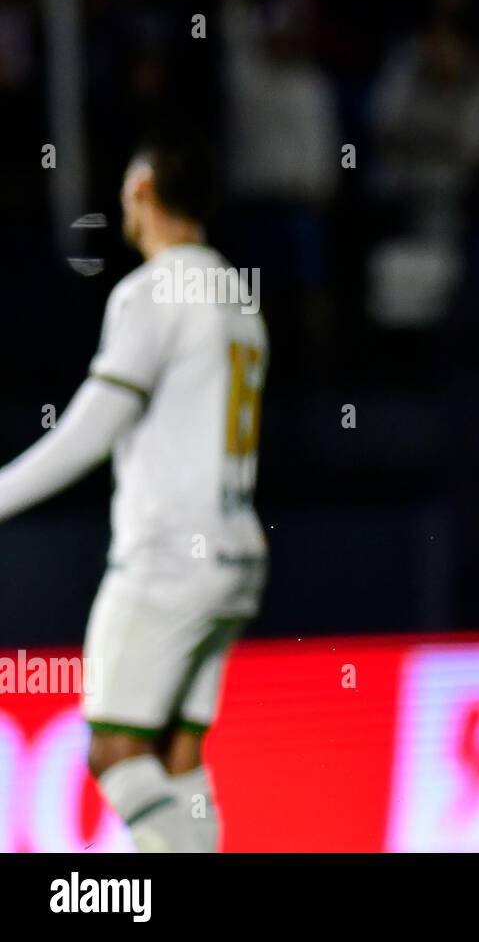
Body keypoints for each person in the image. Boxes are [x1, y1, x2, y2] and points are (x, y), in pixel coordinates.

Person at [0, 132, 269, 851]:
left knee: (115, 753)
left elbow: (90, 430)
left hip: (167, 560)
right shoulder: (237, 293)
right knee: (178, 759)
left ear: (143, 188)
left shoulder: (152, 291)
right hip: (236, 559)